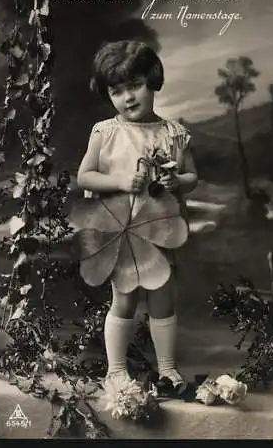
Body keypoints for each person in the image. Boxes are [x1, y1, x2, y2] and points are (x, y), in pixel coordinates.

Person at [77, 40, 198, 396]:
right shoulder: (106, 132)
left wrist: (176, 181)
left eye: (135, 86)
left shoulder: (173, 133)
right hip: (122, 230)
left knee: (162, 297)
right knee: (125, 299)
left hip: (160, 229)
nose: (127, 97)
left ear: (153, 80)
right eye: (117, 91)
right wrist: (118, 180)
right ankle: (116, 373)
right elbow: (85, 176)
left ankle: (167, 371)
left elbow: (193, 177)